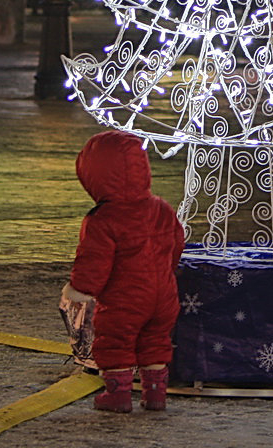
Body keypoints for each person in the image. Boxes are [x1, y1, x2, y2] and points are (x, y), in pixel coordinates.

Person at [61, 131, 185, 413]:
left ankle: (117, 396)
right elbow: (176, 245)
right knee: (155, 340)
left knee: (115, 341)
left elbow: (94, 263)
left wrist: (80, 289)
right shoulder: (162, 208)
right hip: (164, 294)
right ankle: (155, 395)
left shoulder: (103, 219)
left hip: (124, 298)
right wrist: (166, 273)